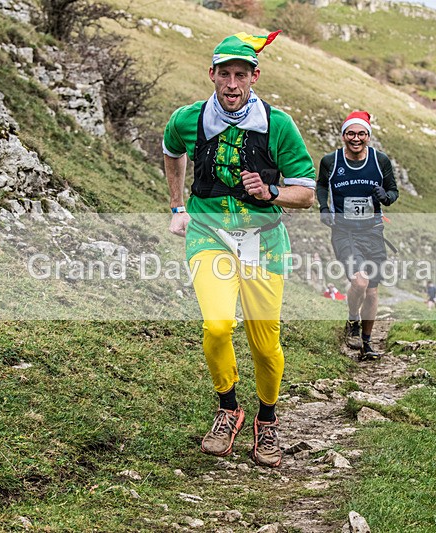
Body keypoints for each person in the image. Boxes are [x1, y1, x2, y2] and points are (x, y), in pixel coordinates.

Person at [162, 30, 315, 468]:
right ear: (211, 75)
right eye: (224, 74)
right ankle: (228, 408)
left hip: (264, 241)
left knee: (265, 345)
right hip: (209, 234)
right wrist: (177, 205)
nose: (232, 84)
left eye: (241, 75)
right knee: (216, 326)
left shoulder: (277, 124)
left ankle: (267, 419)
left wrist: (271, 192)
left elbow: (306, 192)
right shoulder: (188, 119)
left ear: (255, 77)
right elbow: (172, 151)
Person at [317, 110, 399, 361]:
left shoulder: (380, 161)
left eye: (361, 134)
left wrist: (385, 198)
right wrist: (323, 207)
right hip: (344, 232)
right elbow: (321, 184)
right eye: (351, 133)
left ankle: (366, 341)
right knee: (360, 281)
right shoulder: (331, 161)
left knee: (372, 292)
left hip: (373, 232)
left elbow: (393, 191)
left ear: (368, 136)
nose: (356, 138)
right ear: (343, 135)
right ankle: (353, 318)